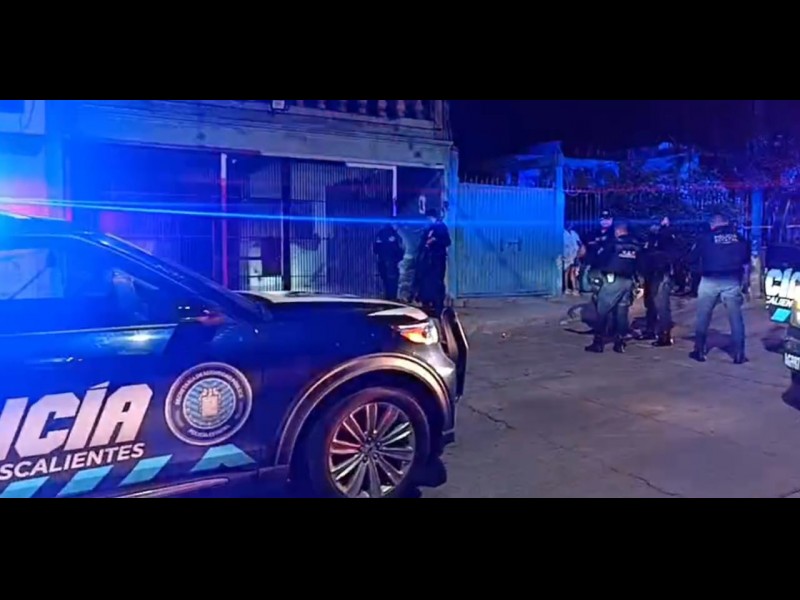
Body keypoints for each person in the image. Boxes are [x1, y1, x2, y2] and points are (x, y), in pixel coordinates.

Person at [689, 212, 750, 364]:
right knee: (735, 318)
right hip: (732, 280)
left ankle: (699, 351)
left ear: (713, 224)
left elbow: (692, 258)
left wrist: (697, 271)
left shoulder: (706, 238)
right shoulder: (739, 238)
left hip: (710, 280)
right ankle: (739, 354)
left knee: (703, 316)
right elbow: (746, 260)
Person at [585, 221, 641, 354]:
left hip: (613, 280)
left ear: (617, 231)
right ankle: (619, 343)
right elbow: (639, 263)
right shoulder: (635, 245)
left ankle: (598, 343)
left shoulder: (613, 243)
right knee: (622, 313)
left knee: (602, 310)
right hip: (628, 281)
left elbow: (600, 259)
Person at [641, 216, 677, 346]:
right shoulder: (652, 237)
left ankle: (665, 336)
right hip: (650, 273)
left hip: (662, 274)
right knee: (650, 304)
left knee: (661, 305)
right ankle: (650, 330)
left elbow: (673, 255)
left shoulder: (667, 236)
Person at [414, 208, 451, 316]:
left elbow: (447, 241)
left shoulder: (441, 227)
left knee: (437, 283)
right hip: (427, 261)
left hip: (438, 260)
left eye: (428, 218)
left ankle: (438, 306)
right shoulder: (428, 228)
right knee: (426, 283)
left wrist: (435, 240)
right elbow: (422, 243)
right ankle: (428, 304)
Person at [373, 220, 405, 301]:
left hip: (382, 261)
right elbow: (400, 248)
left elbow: (375, 249)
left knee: (386, 281)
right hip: (392, 261)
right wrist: (399, 258)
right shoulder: (394, 234)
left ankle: (388, 297)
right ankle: (392, 297)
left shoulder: (380, 234)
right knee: (392, 281)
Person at [562, 222, 583, 295]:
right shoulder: (562, 233)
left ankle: (574, 288)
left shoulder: (574, 233)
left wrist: (580, 251)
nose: (570, 226)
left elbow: (579, 242)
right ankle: (566, 288)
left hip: (575, 255)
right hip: (566, 255)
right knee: (566, 272)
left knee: (573, 272)